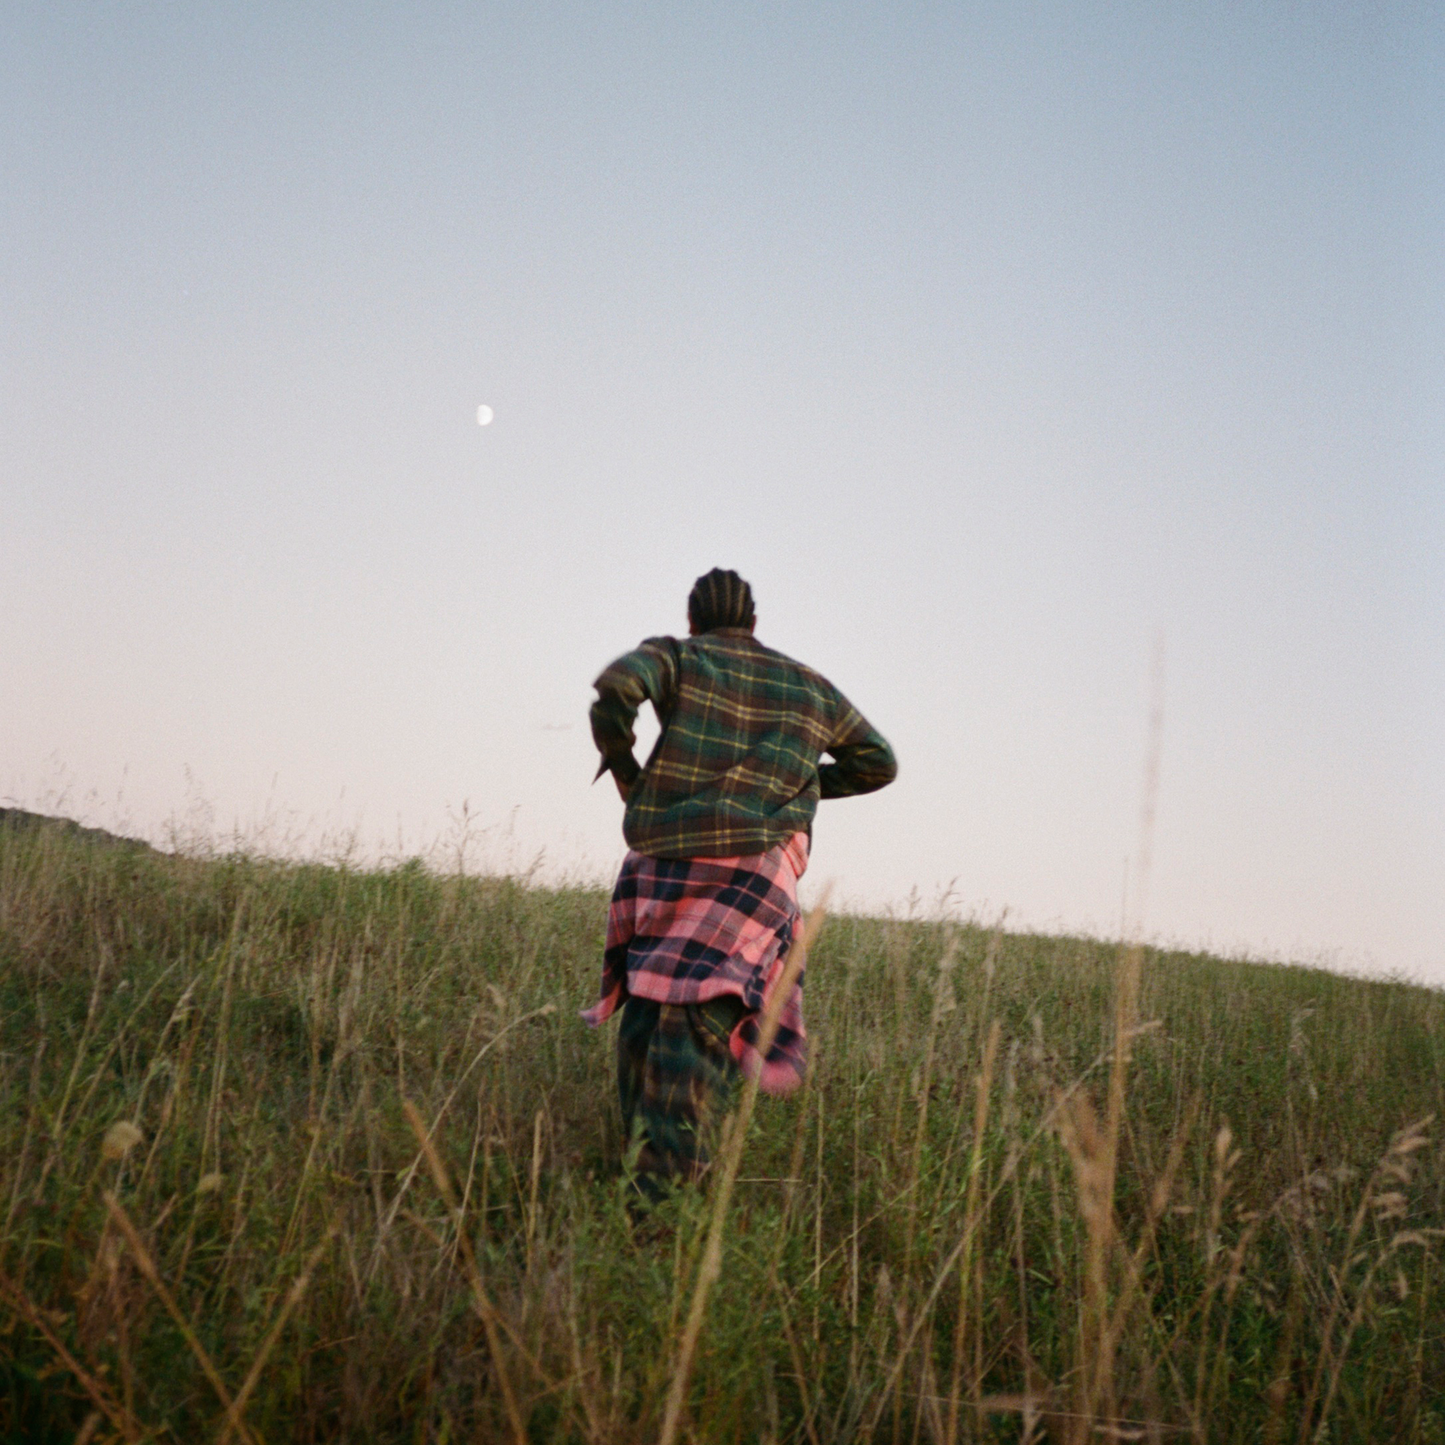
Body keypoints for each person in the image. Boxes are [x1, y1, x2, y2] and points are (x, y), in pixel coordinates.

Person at [582, 567, 897, 1193]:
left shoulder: (679, 657)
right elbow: (878, 761)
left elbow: (618, 683)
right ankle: (664, 1218)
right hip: (752, 885)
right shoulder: (810, 686)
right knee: (697, 1039)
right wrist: (795, 789)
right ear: (754, 624)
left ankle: (652, 1217)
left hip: (663, 873)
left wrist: (624, 764)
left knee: (645, 1027)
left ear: (694, 620)